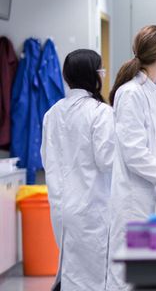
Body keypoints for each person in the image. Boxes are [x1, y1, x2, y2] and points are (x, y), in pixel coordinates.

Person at [107, 25, 156, 290]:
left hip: (149, 196)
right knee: (126, 275)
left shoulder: (147, 90)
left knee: (143, 273)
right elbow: (135, 153)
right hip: (133, 200)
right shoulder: (131, 93)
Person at [41, 49, 118, 290]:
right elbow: (107, 160)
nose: (103, 75)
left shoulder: (52, 112)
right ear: (93, 75)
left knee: (71, 271)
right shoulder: (100, 112)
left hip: (62, 208)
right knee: (90, 278)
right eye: (101, 70)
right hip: (91, 207)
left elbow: (47, 157)